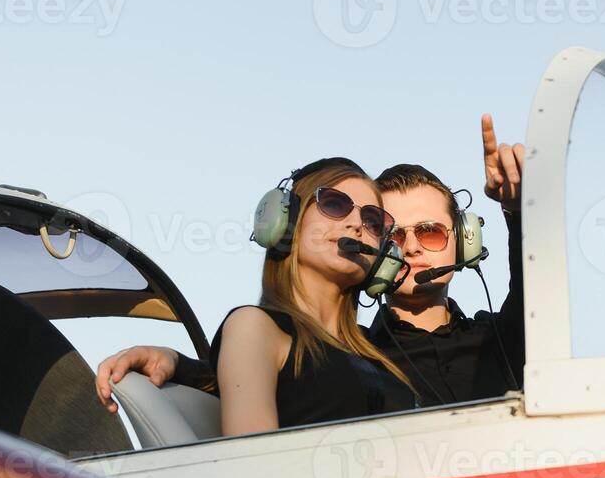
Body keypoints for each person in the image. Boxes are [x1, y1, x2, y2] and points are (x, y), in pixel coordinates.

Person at [95, 157, 416, 436]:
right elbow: (253, 471)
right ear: (286, 221)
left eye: (373, 220)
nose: (356, 224)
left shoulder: (378, 354)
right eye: (334, 204)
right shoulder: (255, 327)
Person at [368, 115, 525, 405]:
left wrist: (519, 208)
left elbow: (538, 284)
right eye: (395, 237)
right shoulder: (350, 359)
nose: (412, 247)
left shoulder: (504, 339)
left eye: (430, 232)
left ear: (465, 239)